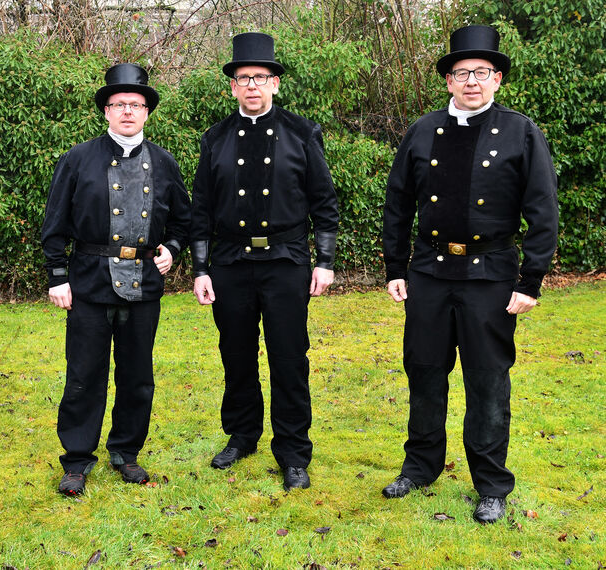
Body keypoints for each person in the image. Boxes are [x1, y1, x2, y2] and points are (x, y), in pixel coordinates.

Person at [381, 25, 558, 523]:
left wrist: (530, 281)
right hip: (430, 274)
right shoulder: (422, 130)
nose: (472, 81)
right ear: (449, 81)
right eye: (462, 73)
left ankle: (491, 484)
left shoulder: (521, 131)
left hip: (491, 277)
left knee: (487, 381)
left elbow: (542, 210)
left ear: (497, 78)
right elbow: (398, 204)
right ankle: (419, 468)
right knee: (425, 373)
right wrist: (396, 267)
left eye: (482, 72)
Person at [190, 32, 339, 491]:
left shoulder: (301, 131)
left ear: (275, 83)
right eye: (243, 78)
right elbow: (201, 209)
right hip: (231, 261)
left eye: (261, 78)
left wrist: (325, 260)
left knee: (289, 356)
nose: (252, 85)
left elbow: (324, 202)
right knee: (235, 352)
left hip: (287, 259)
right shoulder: (215, 138)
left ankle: (293, 450)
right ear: (231, 86)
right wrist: (200, 268)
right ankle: (242, 434)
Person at [41, 63, 191, 497]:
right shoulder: (77, 159)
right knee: (84, 374)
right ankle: (76, 459)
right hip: (89, 282)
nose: (127, 111)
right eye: (118, 104)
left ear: (147, 112)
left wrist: (173, 251)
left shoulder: (164, 162)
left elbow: (186, 221)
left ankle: (126, 452)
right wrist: (57, 276)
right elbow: (55, 225)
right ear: (105, 111)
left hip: (143, 283)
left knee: (137, 375)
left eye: (135, 104)